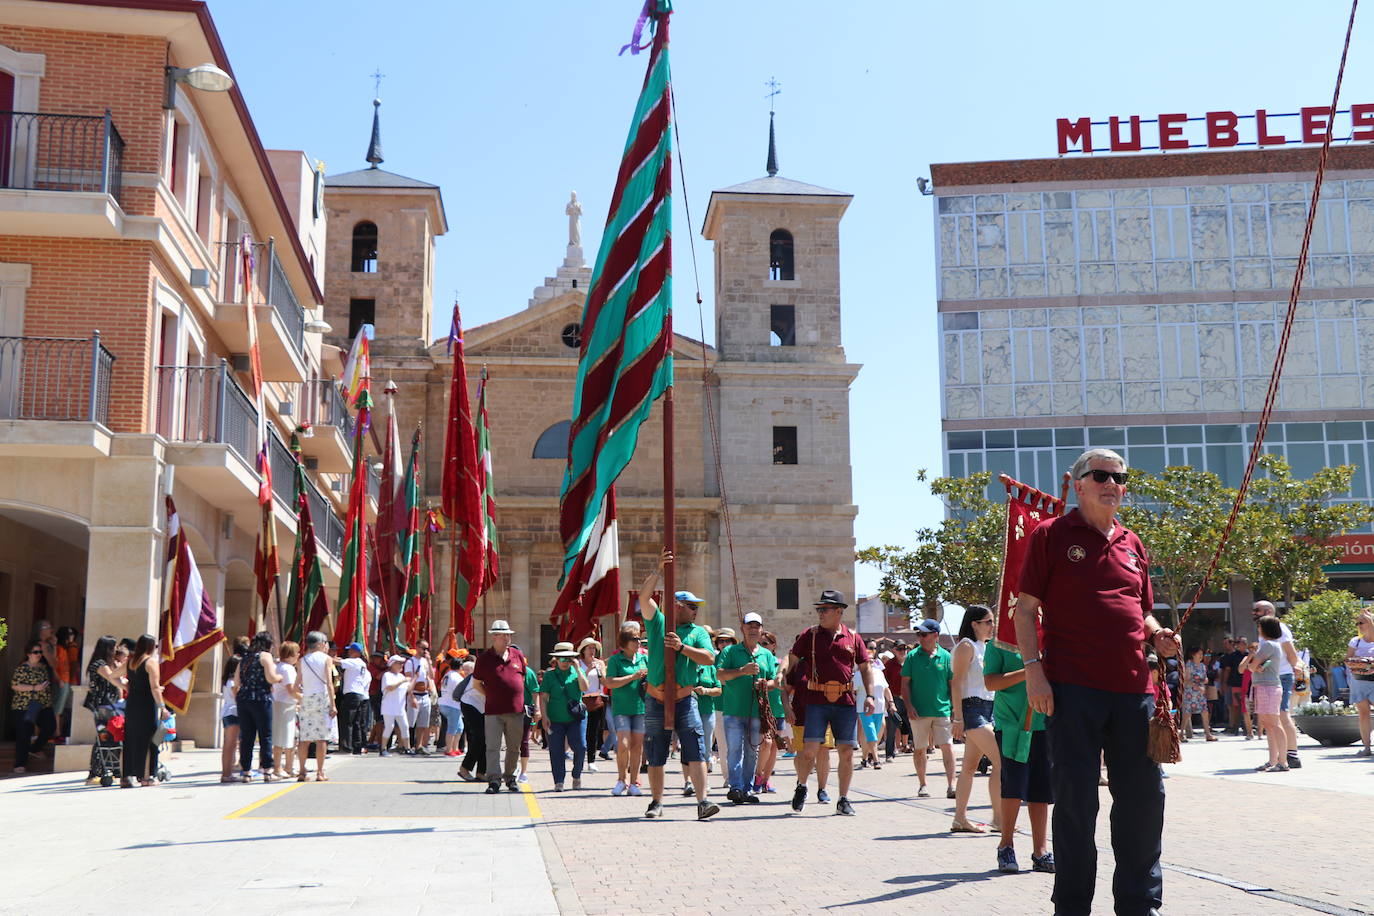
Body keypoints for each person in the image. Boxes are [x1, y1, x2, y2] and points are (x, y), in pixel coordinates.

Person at [1017, 447, 1178, 916]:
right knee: (1075, 803)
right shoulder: (1051, 535)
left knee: (1144, 801)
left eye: (1120, 478)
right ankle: (1072, 906)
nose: (1112, 484)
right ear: (1078, 483)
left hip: (1134, 691)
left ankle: (1140, 905)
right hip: (1071, 689)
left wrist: (1158, 635)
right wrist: (1034, 674)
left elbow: (1142, 612)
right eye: (1102, 475)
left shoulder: (1132, 542)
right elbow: (1025, 611)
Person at [637, 551, 720, 820]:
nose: (696, 611)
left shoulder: (697, 632)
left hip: (685, 699)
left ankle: (703, 801)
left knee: (695, 750)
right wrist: (658, 569)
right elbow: (643, 598)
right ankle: (656, 802)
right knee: (655, 753)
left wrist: (682, 647)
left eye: (696, 607)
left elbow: (709, 658)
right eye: (691, 606)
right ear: (677, 606)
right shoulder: (658, 622)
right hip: (656, 698)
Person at [788, 588, 875, 816]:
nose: (821, 613)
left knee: (846, 751)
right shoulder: (810, 635)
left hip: (845, 701)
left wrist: (870, 695)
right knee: (809, 751)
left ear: (839, 611)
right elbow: (792, 659)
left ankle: (843, 799)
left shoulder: (853, 637)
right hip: (816, 700)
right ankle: (802, 785)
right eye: (819, 609)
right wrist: (784, 680)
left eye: (825, 609)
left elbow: (865, 667)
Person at [983, 636, 1054, 875]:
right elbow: (991, 682)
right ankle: (1006, 845)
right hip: (1011, 724)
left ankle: (1040, 852)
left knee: (1041, 790)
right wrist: (1030, 671)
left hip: (1043, 722)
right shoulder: (997, 644)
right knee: (1013, 786)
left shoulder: (1046, 640)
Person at [717, 612, 780, 805]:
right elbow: (720, 675)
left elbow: (774, 681)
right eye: (749, 625)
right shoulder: (730, 651)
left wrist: (765, 684)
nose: (753, 629)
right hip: (734, 710)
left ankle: (746, 788)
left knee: (753, 750)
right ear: (742, 628)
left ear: (761, 630)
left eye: (756, 626)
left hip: (756, 712)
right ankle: (735, 787)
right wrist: (742, 671)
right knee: (735, 749)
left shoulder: (766, 655)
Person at [950, 605, 1002, 833]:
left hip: (988, 708)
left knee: (969, 767)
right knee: (1001, 762)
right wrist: (958, 718)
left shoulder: (986, 647)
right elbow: (957, 682)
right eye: (988, 621)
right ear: (974, 624)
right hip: (972, 708)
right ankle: (998, 819)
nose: (992, 626)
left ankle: (960, 819)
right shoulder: (966, 646)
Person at [902, 618, 956, 801]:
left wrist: (955, 708)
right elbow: (905, 684)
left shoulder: (946, 657)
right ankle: (923, 784)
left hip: (942, 710)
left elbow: (952, 684)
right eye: (919, 634)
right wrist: (909, 706)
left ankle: (952, 785)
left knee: (947, 746)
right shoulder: (912, 656)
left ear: (935, 635)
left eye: (924, 634)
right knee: (920, 749)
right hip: (918, 712)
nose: (920, 637)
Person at [473, 619, 529, 793]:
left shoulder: (517, 655)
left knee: (514, 747)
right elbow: (476, 684)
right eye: (503, 635)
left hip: (516, 710)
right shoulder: (484, 659)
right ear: (494, 637)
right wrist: (490, 695)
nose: (507, 638)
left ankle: (510, 778)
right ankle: (494, 779)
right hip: (493, 711)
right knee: (493, 747)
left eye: (508, 635)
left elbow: (523, 678)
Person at [1251, 600, 1307, 769]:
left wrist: (1297, 669)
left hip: (1281, 677)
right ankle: (1275, 758)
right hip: (1269, 678)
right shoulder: (1264, 632)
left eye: (1257, 610)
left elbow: (1291, 654)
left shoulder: (1279, 629)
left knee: (1282, 715)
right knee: (1270, 720)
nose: (1254, 613)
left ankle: (1291, 755)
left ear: (1268, 611)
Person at [116, 634, 166, 788]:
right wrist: (162, 707)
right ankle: (147, 777)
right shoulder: (151, 662)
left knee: (130, 738)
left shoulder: (131, 661)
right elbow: (154, 687)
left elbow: (112, 676)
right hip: (147, 704)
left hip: (132, 703)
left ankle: (126, 776)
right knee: (149, 740)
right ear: (151, 647)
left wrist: (125, 686)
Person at [604, 627, 648, 796]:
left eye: (639, 639)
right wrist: (632, 677)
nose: (638, 642)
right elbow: (610, 682)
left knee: (637, 746)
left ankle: (634, 783)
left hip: (640, 707)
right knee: (623, 744)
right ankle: (621, 780)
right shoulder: (615, 660)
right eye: (634, 639)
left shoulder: (644, 658)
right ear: (625, 642)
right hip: (621, 708)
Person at [539, 642, 589, 791]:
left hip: (576, 718)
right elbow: (543, 697)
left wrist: (578, 669)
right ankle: (559, 781)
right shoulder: (549, 675)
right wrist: (544, 716)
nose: (565, 662)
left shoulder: (577, 672)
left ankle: (577, 774)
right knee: (556, 750)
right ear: (556, 659)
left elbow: (585, 688)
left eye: (568, 659)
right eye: (562, 659)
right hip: (555, 719)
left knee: (581, 746)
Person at [237, 632, 283, 782]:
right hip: (261, 698)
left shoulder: (245, 658)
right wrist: (280, 677)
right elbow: (271, 677)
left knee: (247, 736)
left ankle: (246, 771)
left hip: (243, 698)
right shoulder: (265, 656)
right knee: (265, 736)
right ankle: (267, 770)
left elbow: (237, 681)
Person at [10, 640, 57, 774]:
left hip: (43, 704)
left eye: (40, 652)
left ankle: (35, 748)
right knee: (23, 734)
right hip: (24, 706)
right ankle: (20, 764)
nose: (38, 654)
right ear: (28, 654)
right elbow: (15, 685)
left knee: (50, 726)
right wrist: (34, 688)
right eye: (36, 652)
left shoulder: (42, 668)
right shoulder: (22, 668)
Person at [1248, 616, 1287, 772]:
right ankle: (1273, 760)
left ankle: (1282, 761)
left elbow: (1252, 666)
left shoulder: (1268, 645)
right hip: (1265, 686)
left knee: (1274, 724)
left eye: (1260, 626)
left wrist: (1254, 664)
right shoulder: (1273, 645)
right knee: (1269, 725)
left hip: (1268, 687)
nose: (1258, 629)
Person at [296, 632, 337, 781]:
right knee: (321, 738)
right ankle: (320, 772)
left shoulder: (302, 660)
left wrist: (301, 697)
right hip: (321, 698)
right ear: (320, 644)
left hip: (306, 699)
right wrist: (333, 705)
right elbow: (329, 683)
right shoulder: (326, 659)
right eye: (325, 643)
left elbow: (296, 685)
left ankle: (302, 771)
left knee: (304, 738)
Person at [83, 635, 123, 785]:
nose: (116, 650)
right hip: (103, 706)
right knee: (103, 737)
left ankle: (111, 769)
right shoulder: (99, 664)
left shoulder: (106, 664)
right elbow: (113, 678)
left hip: (110, 705)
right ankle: (95, 772)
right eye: (114, 647)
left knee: (111, 735)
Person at [754, 631, 786, 792]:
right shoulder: (757, 661)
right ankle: (757, 776)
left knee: (774, 747)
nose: (762, 646)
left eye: (765, 644)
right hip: (762, 709)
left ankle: (766, 781)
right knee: (765, 744)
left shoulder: (779, 664)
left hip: (778, 710)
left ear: (774, 646)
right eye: (760, 644)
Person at [855, 639, 894, 771]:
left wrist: (891, 703)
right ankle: (876, 759)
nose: (871, 662)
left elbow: (886, 689)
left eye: (872, 660)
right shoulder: (858, 674)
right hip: (864, 709)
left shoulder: (879, 672)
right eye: (868, 660)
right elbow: (853, 691)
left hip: (880, 709)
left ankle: (864, 758)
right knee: (871, 733)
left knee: (876, 733)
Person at [693, 630, 724, 789]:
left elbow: (718, 690)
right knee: (691, 747)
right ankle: (690, 781)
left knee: (705, 747)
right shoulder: (686, 665)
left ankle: (704, 782)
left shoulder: (710, 668)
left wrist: (705, 691)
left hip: (707, 711)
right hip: (689, 711)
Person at [574, 637, 608, 775]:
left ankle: (591, 761)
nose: (592, 651)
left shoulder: (599, 663)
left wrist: (600, 672)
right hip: (581, 700)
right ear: (583, 650)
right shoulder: (578, 663)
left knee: (593, 732)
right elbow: (577, 680)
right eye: (589, 648)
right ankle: (579, 760)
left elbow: (604, 681)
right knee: (580, 733)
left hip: (596, 700)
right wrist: (588, 670)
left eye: (594, 648)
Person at [271, 641, 301, 778]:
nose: (298, 655)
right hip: (284, 705)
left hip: (284, 704)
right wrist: (304, 699)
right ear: (290, 654)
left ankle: (288, 766)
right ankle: (279, 767)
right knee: (282, 738)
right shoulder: (288, 669)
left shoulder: (279, 666)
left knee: (289, 738)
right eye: (297, 653)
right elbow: (291, 690)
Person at [1346, 611, 1374, 756]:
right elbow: (1347, 660)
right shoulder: (1355, 641)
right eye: (1357, 623)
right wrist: (1359, 662)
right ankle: (1367, 747)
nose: (1359, 626)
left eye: (1362, 622)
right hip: (1359, 680)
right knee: (1363, 714)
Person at [337, 641, 372, 755]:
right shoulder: (361, 663)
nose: (349, 652)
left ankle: (347, 747)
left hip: (352, 694)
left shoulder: (354, 661)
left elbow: (337, 662)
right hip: (359, 695)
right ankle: (357, 746)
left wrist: (325, 657)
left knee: (347, 721)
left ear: (356, 652)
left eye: (351, 650)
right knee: (356, 722)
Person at [455, 659, 487, 781]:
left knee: (484, 740)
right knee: (479, 738)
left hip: (480, 706)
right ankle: (465, 768)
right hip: (470, 704)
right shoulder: (486, 670)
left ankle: (481, 772)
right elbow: (477, 686)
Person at [404, 641, 437, 754]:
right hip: (414, 694)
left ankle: (419, 746)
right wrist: (411, 696)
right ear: (417, 647)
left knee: (423, 723)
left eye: (427, 648)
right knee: (410, 722)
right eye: (423, 648)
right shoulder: (410, 662)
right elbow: (408, 680)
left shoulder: (425, 661)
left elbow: (432, 676)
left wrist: (429, 661)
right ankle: (407, 746)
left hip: (425, 694)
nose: (425, 651)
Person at [379, 654, 414, 756]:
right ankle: (383, 748)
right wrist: (402, 681)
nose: (401, 665)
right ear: (392, 664)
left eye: (402, 663)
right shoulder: (387, 675)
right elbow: (390, 688)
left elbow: (408, 689)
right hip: (389, 706)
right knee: (389, 727)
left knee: (405, 726)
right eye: (399, 663)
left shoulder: (401, 676)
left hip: (400, 707)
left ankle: (407, 748)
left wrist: (414, 678)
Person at [1181, 646, 1216, 741]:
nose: (1201, 656)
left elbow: (1205, 678)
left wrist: (1205, 680)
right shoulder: (1189, 665)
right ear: (1193, 655)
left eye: (1202, 654)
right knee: (1187, 713)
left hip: (1200, 693)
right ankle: (1181, 733)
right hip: (1191, 692)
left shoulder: (1202, 666)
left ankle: (1208, 734)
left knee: (1205, 712)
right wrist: (1196, 686)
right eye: (1199, 654)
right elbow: (1186, 680)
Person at [884, 644, 913, 759]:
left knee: (915, 725)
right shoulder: (889, 664)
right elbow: (885, 683)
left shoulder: (910, 663)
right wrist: (888, 701)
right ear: (894, 650)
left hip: (909, 699)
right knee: (891, 727)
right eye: (900, 649)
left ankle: (919, 751)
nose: (903, 651)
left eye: (904, 649)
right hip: (895, 699)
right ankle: (889, 753)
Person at [437, 651, 467, 757]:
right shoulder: (457, 677)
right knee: (452, 728)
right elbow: (460, 691)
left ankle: (455, 748)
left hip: (445, 702)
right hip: (452, 704)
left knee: (459, 727)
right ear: (460, 666)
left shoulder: (447, 675)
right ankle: (449, 749)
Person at [53, 626, 80, 740]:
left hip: (67, 680)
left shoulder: (68, 648)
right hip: (62, 681)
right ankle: (58, 732)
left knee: (62, 708)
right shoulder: (60, 648)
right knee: (59, 708)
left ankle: (60, 732)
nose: (72, 636)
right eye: (69, 634)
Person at [219, 653, 241, 784]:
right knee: (230, 744)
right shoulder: (232, 682)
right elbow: (238, 696)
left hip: (229, 712)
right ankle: (226, 774)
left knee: (231, 745)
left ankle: (228, 773)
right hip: (233, 712)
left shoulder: (228, 680)